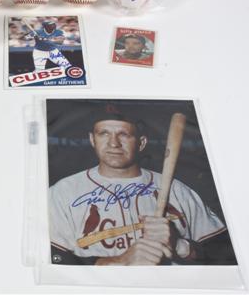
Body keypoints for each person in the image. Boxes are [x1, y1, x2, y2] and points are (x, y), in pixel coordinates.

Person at [49, 104, 236, 266]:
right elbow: (52, 259)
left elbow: (226, 254)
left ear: (141, 143)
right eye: (104, 133)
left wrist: (180, 246)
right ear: (92, 139)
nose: (114, 143)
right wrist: (119, 262)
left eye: (124, 134)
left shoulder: (178, 191)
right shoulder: (63, 192)